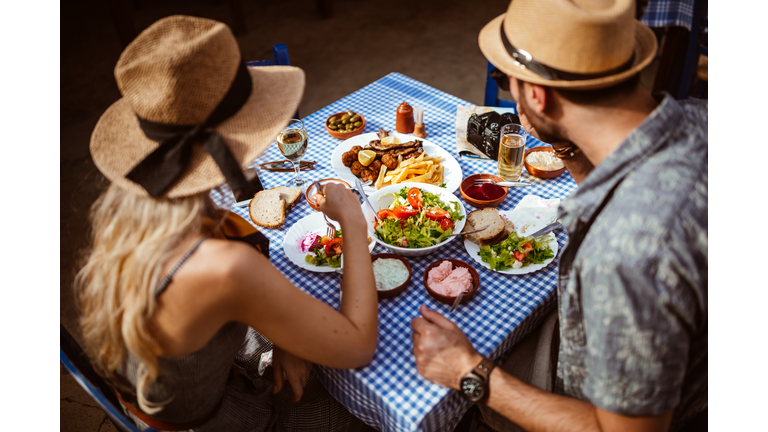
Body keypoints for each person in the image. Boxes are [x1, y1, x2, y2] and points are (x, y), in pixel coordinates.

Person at [410, 1, 707, 431]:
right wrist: (565, 140)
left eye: (503, 80)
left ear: (536, 94)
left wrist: (469, 373)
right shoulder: (703, 117)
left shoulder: (625, 250)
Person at [75, 15, 377, 432]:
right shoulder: (225, 266)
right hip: (218, 419)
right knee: (363, 413)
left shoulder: (129, 210)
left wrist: (286, 340)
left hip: (171, 390)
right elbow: (359, 346)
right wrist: (352, 223)